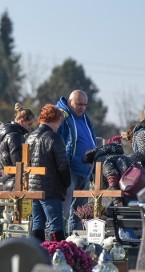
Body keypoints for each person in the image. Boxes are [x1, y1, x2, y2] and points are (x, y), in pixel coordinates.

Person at [26, 104, 71, 242]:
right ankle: (59, 254)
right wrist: (66, 182)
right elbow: (63, 165)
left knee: (38, 223)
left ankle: (36, 252)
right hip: (50, 187)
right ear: (56, 119)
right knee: (56, 224)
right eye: (60, 121)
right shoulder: (54, 137)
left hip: (33, 188)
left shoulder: (30, 137)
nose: (60, 124)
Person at [56, 90, 97, 233]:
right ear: (69, 102)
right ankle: (58, 245)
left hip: (85, 171)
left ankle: (75, 246)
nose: (82, 107)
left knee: (80, 213)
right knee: (63, 212)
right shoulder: (61, 116)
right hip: (69, 171)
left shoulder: (85, 118)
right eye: (79, 104)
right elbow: (56, 142)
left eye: (85, 105)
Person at [0, 103, 36, 190]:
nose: (29, 128)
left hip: (9, 180)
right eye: (29, 124)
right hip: (15, 182)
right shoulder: (15, 136)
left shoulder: (11, 134)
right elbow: (18, 163)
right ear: (22, 121)